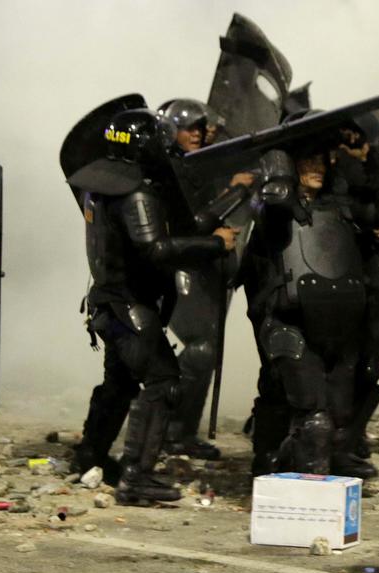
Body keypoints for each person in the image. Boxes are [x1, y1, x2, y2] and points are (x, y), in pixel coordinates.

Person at [68, 108, 238, 504]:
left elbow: (173, 225)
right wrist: (216, 245)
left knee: (120, 384)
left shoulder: (102, 183)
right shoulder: (136, 191)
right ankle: (137, 476)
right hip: (131, 308)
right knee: (164, 382)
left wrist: (214, 217)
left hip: (109, 304)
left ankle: (91, 456)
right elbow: (156, 249)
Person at [244, 124, 379, 477]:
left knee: (339, 413)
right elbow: (275, 199)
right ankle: (281, 470)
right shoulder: (273, 208)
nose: (316, 168)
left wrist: (368, 157)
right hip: (289, 320)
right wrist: (281, 157)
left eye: (321, 161)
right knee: (308, 412)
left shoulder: (340, 207)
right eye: (306, 161)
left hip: (338, 323)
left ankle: (299, 462)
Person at [158, 98, 253, 460]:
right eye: (189, 128)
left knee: (206, 350)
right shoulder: (170, 169)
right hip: (177, 265)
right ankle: (169, 430)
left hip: (202, 265)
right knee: (199, 350)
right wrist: (236, 190)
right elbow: (194, 221)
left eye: (201, 127)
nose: (197, 134)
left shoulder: (196, 165)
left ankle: (182, 432)